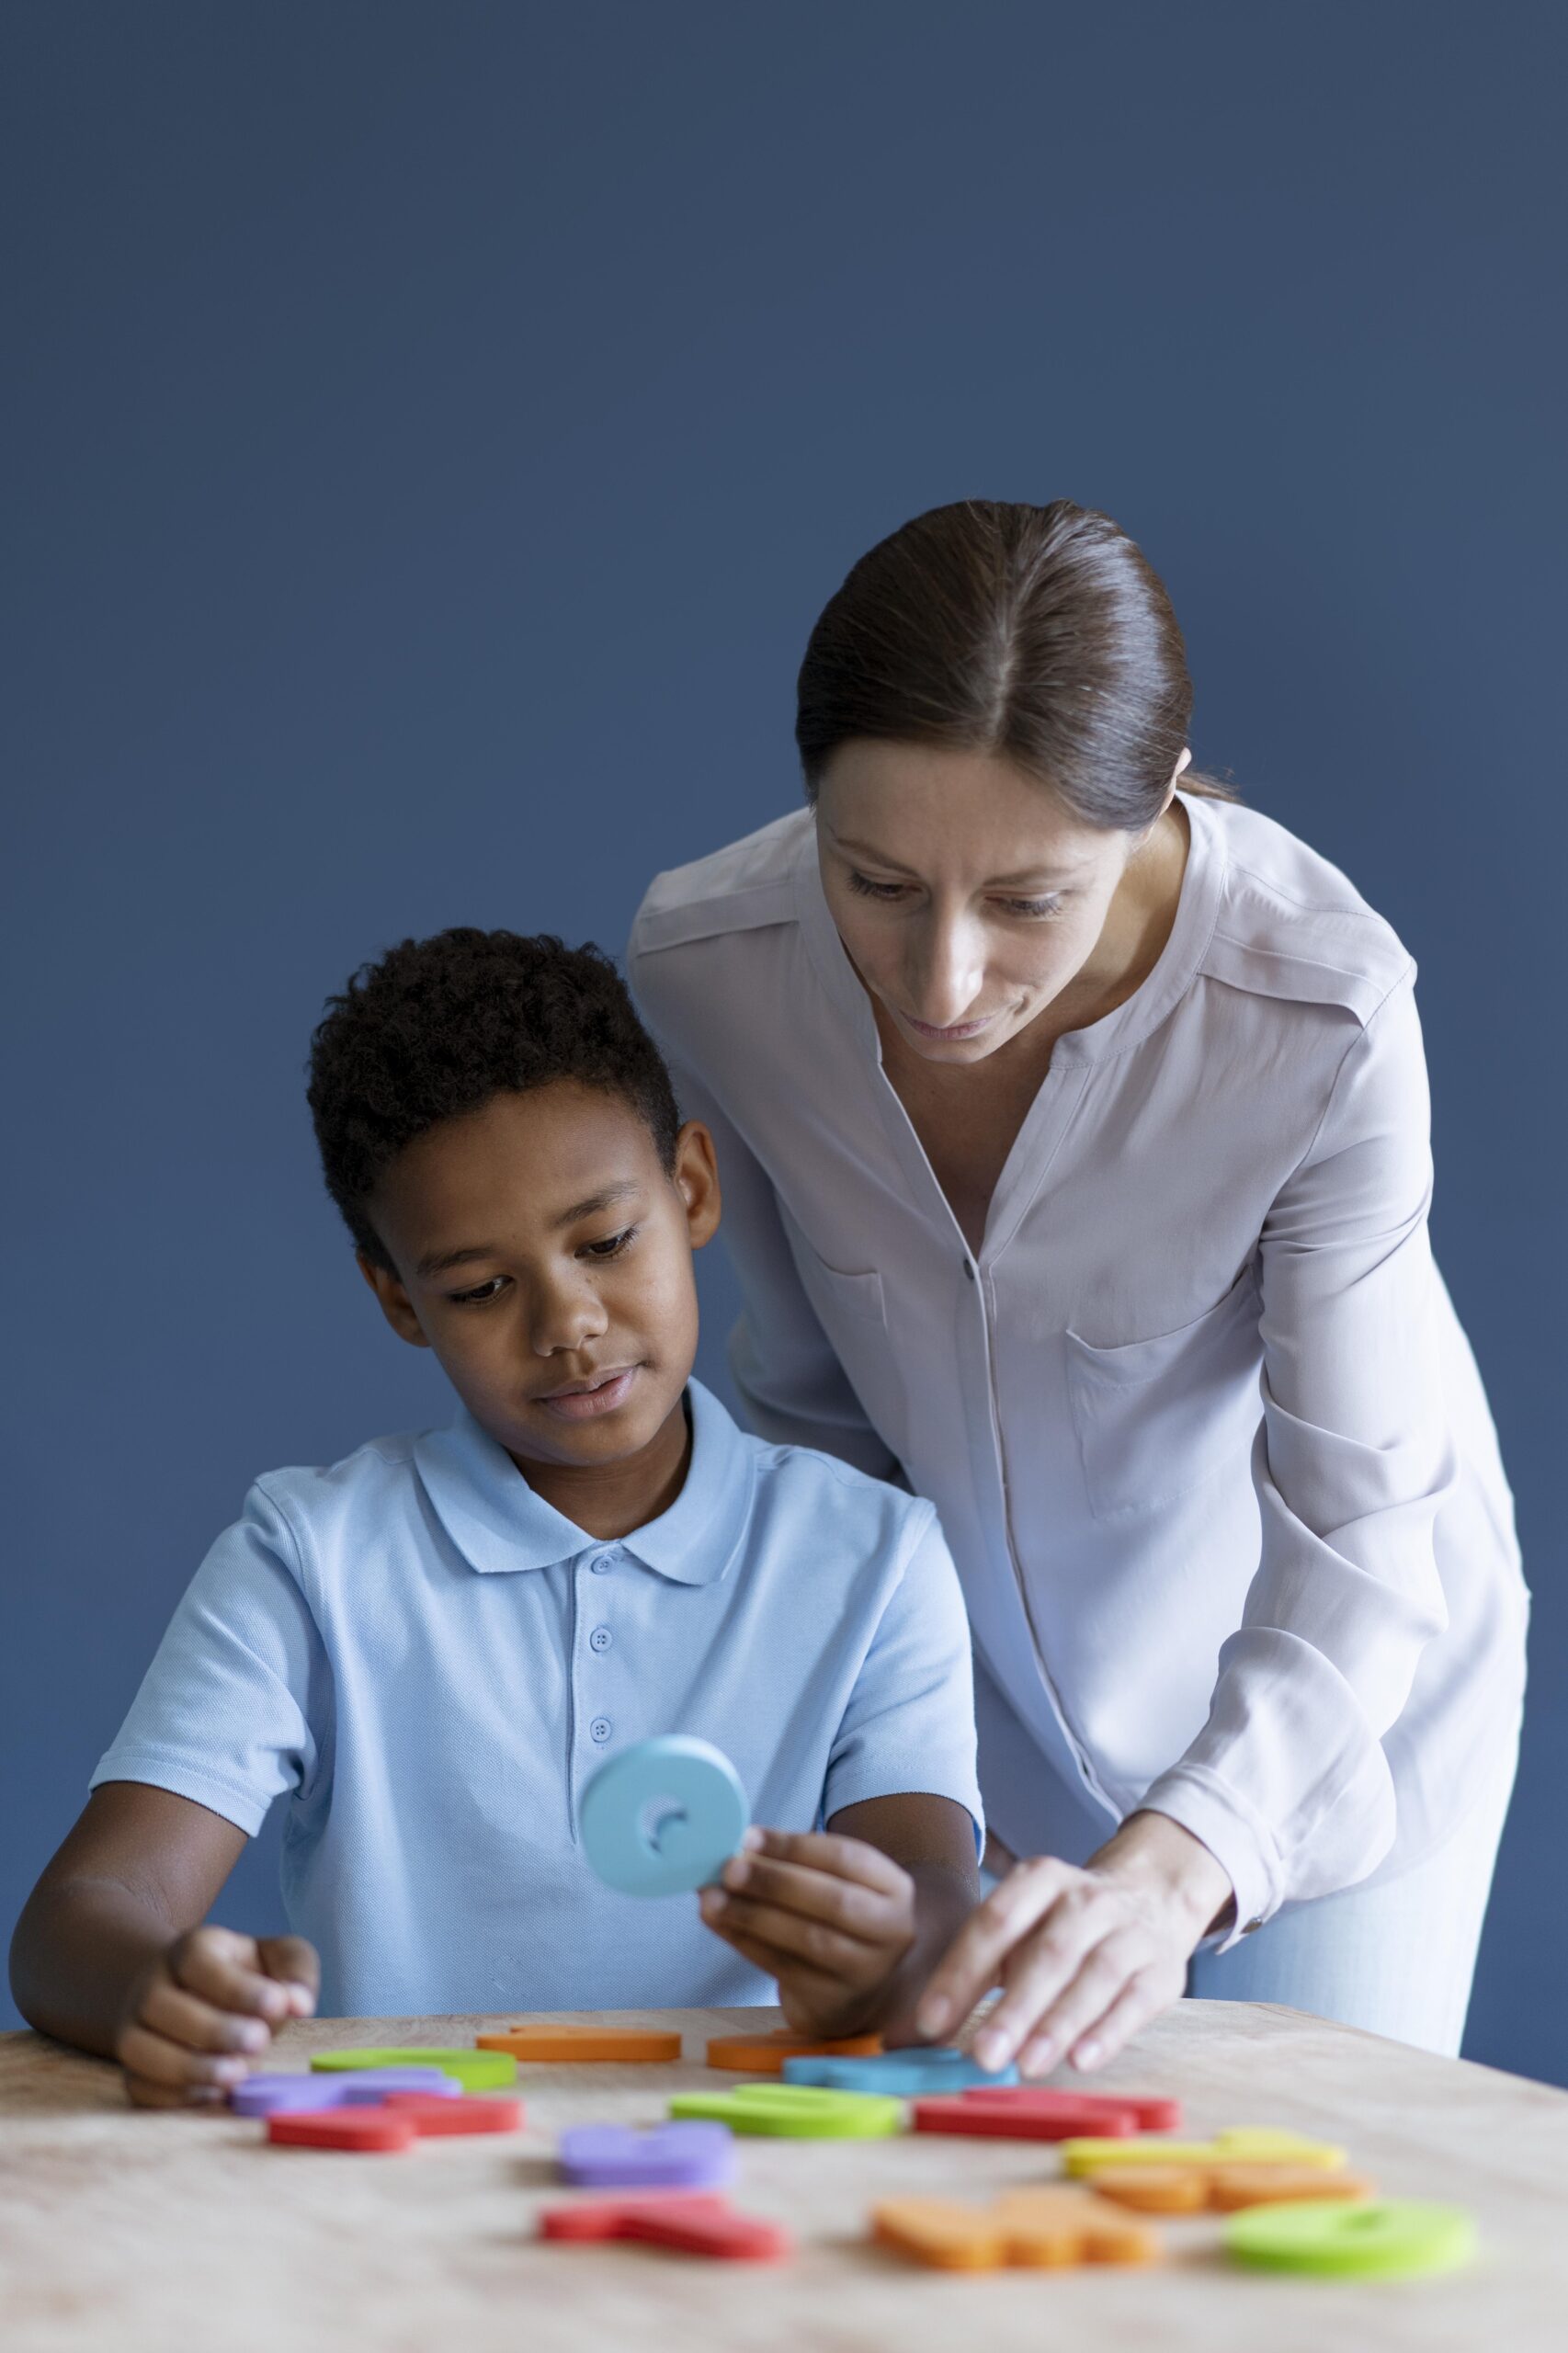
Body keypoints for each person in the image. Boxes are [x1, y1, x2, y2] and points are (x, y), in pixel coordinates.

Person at [628, 496, 1528, 2075]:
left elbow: (1362, 1524)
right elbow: (815, 1417)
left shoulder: (1321, 1015)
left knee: (1303, 2270)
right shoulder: (709, 969)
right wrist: (868, 1771)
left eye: (1028, 899)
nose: (942, 984)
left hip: (1327, 1707)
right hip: (957, 1733)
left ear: (1159, 802)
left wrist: (1178, 1862)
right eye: (877, 883)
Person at [8, 929, 981, 2105]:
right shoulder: (310, 1558)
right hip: (393, 2191)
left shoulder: (871, 1556)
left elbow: (930, 1894)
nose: (565, 1322)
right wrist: (153, 1986)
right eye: (479, 1288)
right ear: (398, 1299)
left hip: (743, 2176)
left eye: (606, 1241)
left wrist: (890, 1950)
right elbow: (82, 1917)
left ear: (691, 1189)